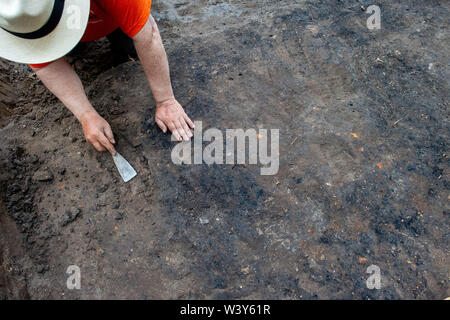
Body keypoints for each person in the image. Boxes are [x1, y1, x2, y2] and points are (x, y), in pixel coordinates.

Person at [0, 0, 195, 155]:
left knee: (127, 45)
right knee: (70, 49)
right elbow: (45, 64)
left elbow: (148, 36)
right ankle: (68, 39)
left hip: (108, 13)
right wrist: (86, 115)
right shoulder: (14, 13)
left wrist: (166, 101)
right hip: (70, 18)